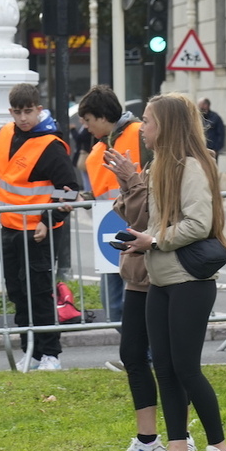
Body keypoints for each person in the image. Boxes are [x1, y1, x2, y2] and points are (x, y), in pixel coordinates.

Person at [111, 93, 226, 451]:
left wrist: (155, 240)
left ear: (167, 125)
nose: (142, 128)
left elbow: (199, 225)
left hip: (189, 282)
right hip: (160, 279)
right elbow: (156, 219)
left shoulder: (193, 167)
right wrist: (140, 237)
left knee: (186, 368)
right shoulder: (159, 165)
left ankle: (221, 448)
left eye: (147, 121)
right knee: (163, 367)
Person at [0, 83, 79, 371]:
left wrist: (48, 221)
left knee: (40, 292)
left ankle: (50, 354)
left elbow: (69, 189)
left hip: (37, 233)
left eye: (28, 112)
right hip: (9, 227)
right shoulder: (5, 134)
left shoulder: (50, 145)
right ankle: (30, 351)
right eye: (18, 112)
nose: (23, 118)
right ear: (10, 112)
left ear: (38, 109)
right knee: (19, 292)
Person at [78, 85, 150, 323]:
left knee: (129, 304)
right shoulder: (96, 152)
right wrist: (85, 200)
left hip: (142, 231)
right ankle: (141, 356)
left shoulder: (141, 134)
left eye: (88, 119)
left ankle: (144, 357)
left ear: (102, 116)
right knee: (114, 307)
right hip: (113, 236)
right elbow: (104, 197)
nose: (85, 126)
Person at [197, 98, 225, 162]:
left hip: (212, 150)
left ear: (206, 105)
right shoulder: (198, 118)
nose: (199, 108)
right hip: (201, 150)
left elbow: (221, 134)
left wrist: (216, 149)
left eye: (200, 105)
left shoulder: (216, 118)